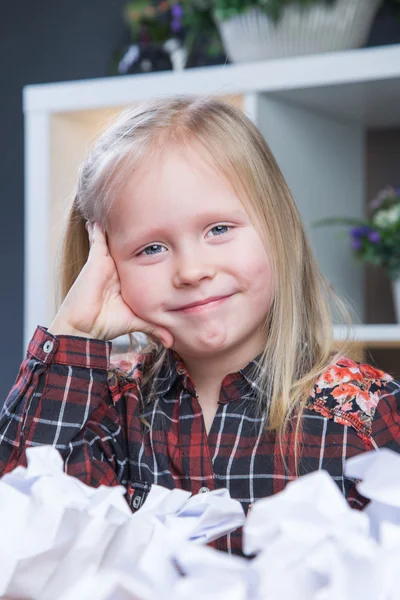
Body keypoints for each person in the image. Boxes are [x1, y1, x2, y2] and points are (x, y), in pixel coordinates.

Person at [1, 96, 399, 556]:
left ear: (278, 228)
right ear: (107, 264)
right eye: (151, 248)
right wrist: (74, 330)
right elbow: (20, 525)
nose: (191, 271)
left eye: (218, 229)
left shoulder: (363, 412)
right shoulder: (106, 404)